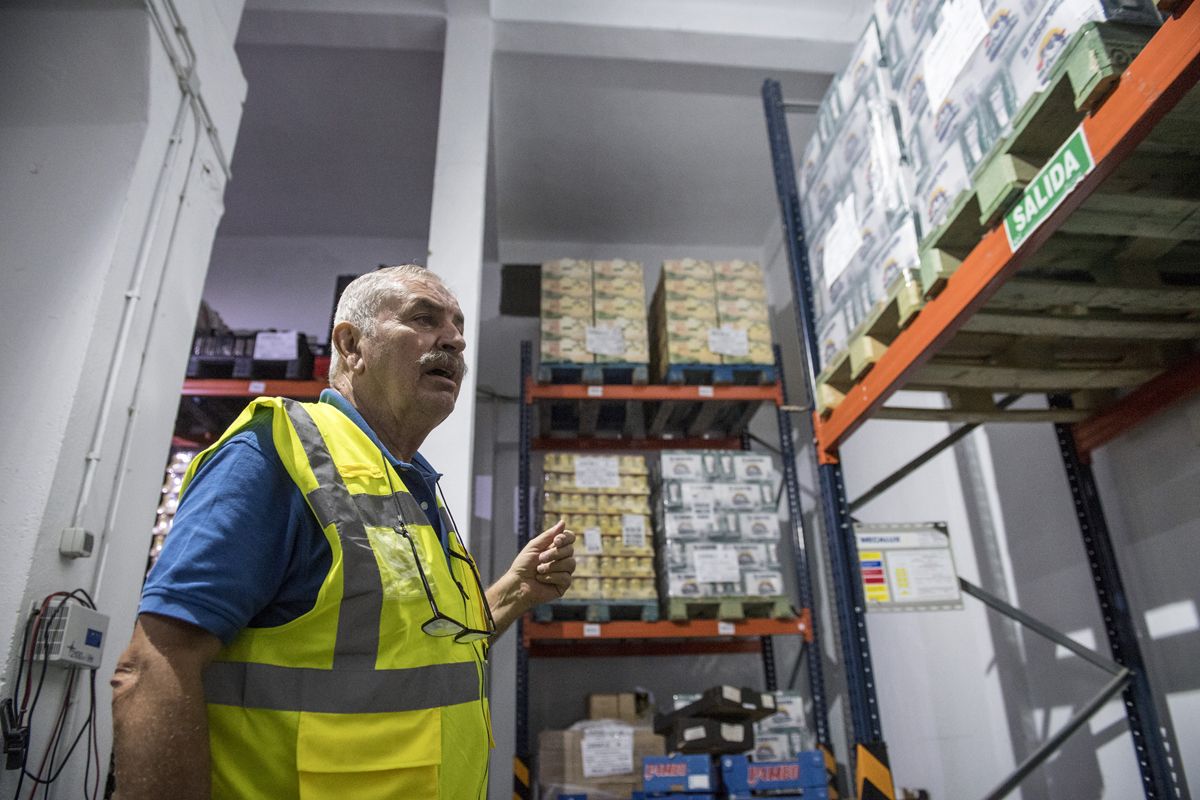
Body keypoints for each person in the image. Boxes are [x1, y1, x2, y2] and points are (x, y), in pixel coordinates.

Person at [111, 265, 576, 799]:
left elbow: (425, 656)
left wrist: (515, 592)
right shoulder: (276, 454)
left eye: (458, 327)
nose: (454, 339)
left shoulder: (409, 485)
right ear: (351, 345)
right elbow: (155, 665)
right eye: (424, 319)